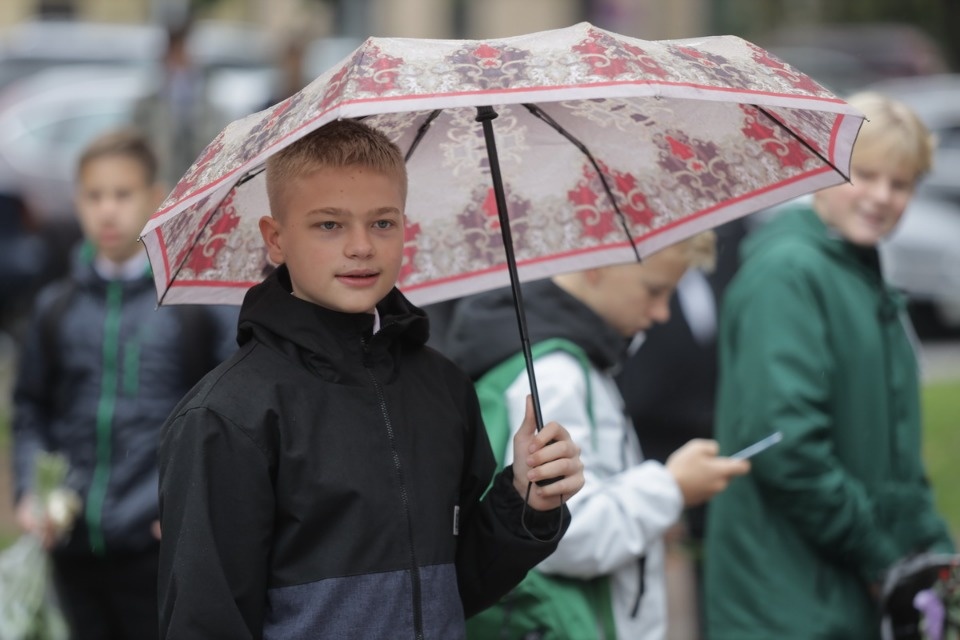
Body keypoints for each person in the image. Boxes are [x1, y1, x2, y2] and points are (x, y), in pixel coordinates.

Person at [156, 118, 586, 640]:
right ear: (276, 239)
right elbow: (205, 620)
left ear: (407, 224)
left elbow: (457, 587)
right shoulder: (226, 417)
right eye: (329, 225)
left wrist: (524, 499)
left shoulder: (444, 388)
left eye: (382, 223)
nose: (361, 246)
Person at [704, 92, 956, 640]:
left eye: (901, 183)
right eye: (864, 175)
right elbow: (785, 447)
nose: (881, 197)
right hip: (785, 603)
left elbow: (896, 461)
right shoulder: (788, 273)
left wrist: (935, 556)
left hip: (839, 596)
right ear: (825, 169)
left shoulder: (862, 273)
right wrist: (883, 558)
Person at [444, 234, 751, 640]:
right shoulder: (555, 374)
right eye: (655, 290)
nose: (662, 312)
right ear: (596, 264)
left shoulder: (573, 358)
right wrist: (670, 488)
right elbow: (567, 535)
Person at [10, 128, 236, 640]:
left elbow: (229, 421)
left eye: (122, 193)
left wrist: (190, 503)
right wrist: (30, 489)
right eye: (94, 195)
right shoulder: (55, 309)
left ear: (155, 198)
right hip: (71, 545)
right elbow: (30, 410)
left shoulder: (192, 310)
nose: (107, 210)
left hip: (158, 547)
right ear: (77, 202)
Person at [133, 19, 227, 187]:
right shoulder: (149, 105)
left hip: (198, 182)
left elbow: (215, 138)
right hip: (162, 184)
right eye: (176, 53)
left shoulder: (206, 102)